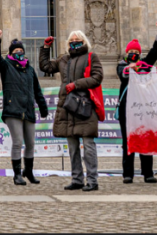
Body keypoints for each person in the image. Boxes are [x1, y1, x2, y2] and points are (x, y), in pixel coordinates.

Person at [39, 30, 103, 192]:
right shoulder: (64, 59)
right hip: (67, 107)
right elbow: (45, 66)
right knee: (73, 147)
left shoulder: (91, 57)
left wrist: (76, 84)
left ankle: (92, 180)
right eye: (72, 40)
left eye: (78, 40)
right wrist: (46, 48)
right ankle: (77, 179)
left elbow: (97, 77)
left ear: (84, 42)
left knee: (88, 145)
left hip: (85, 106)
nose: (74, 42)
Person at [0, 30, 48, 185]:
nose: (19, 53)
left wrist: (43, 107)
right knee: (17, 141)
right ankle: (17, 174)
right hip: (13, 110)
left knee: (30, 143)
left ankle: (28, 171)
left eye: (21, 51)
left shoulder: (30, 69)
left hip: (28, 110)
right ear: (11, 53)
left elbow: (37, 90)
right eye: (16, 51)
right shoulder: (6, 66)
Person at [116, 22, 157, 184]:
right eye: (130, 51)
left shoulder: (144, 64)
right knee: (128, 141)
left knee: (146, 139)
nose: (133, 53)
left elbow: (154, 53)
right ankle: (127, 174)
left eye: (135, 52)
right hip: (127, 110)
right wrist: (132, 67)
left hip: (143, 108)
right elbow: (123, 75)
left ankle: (148, 173)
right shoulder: (121, 65)